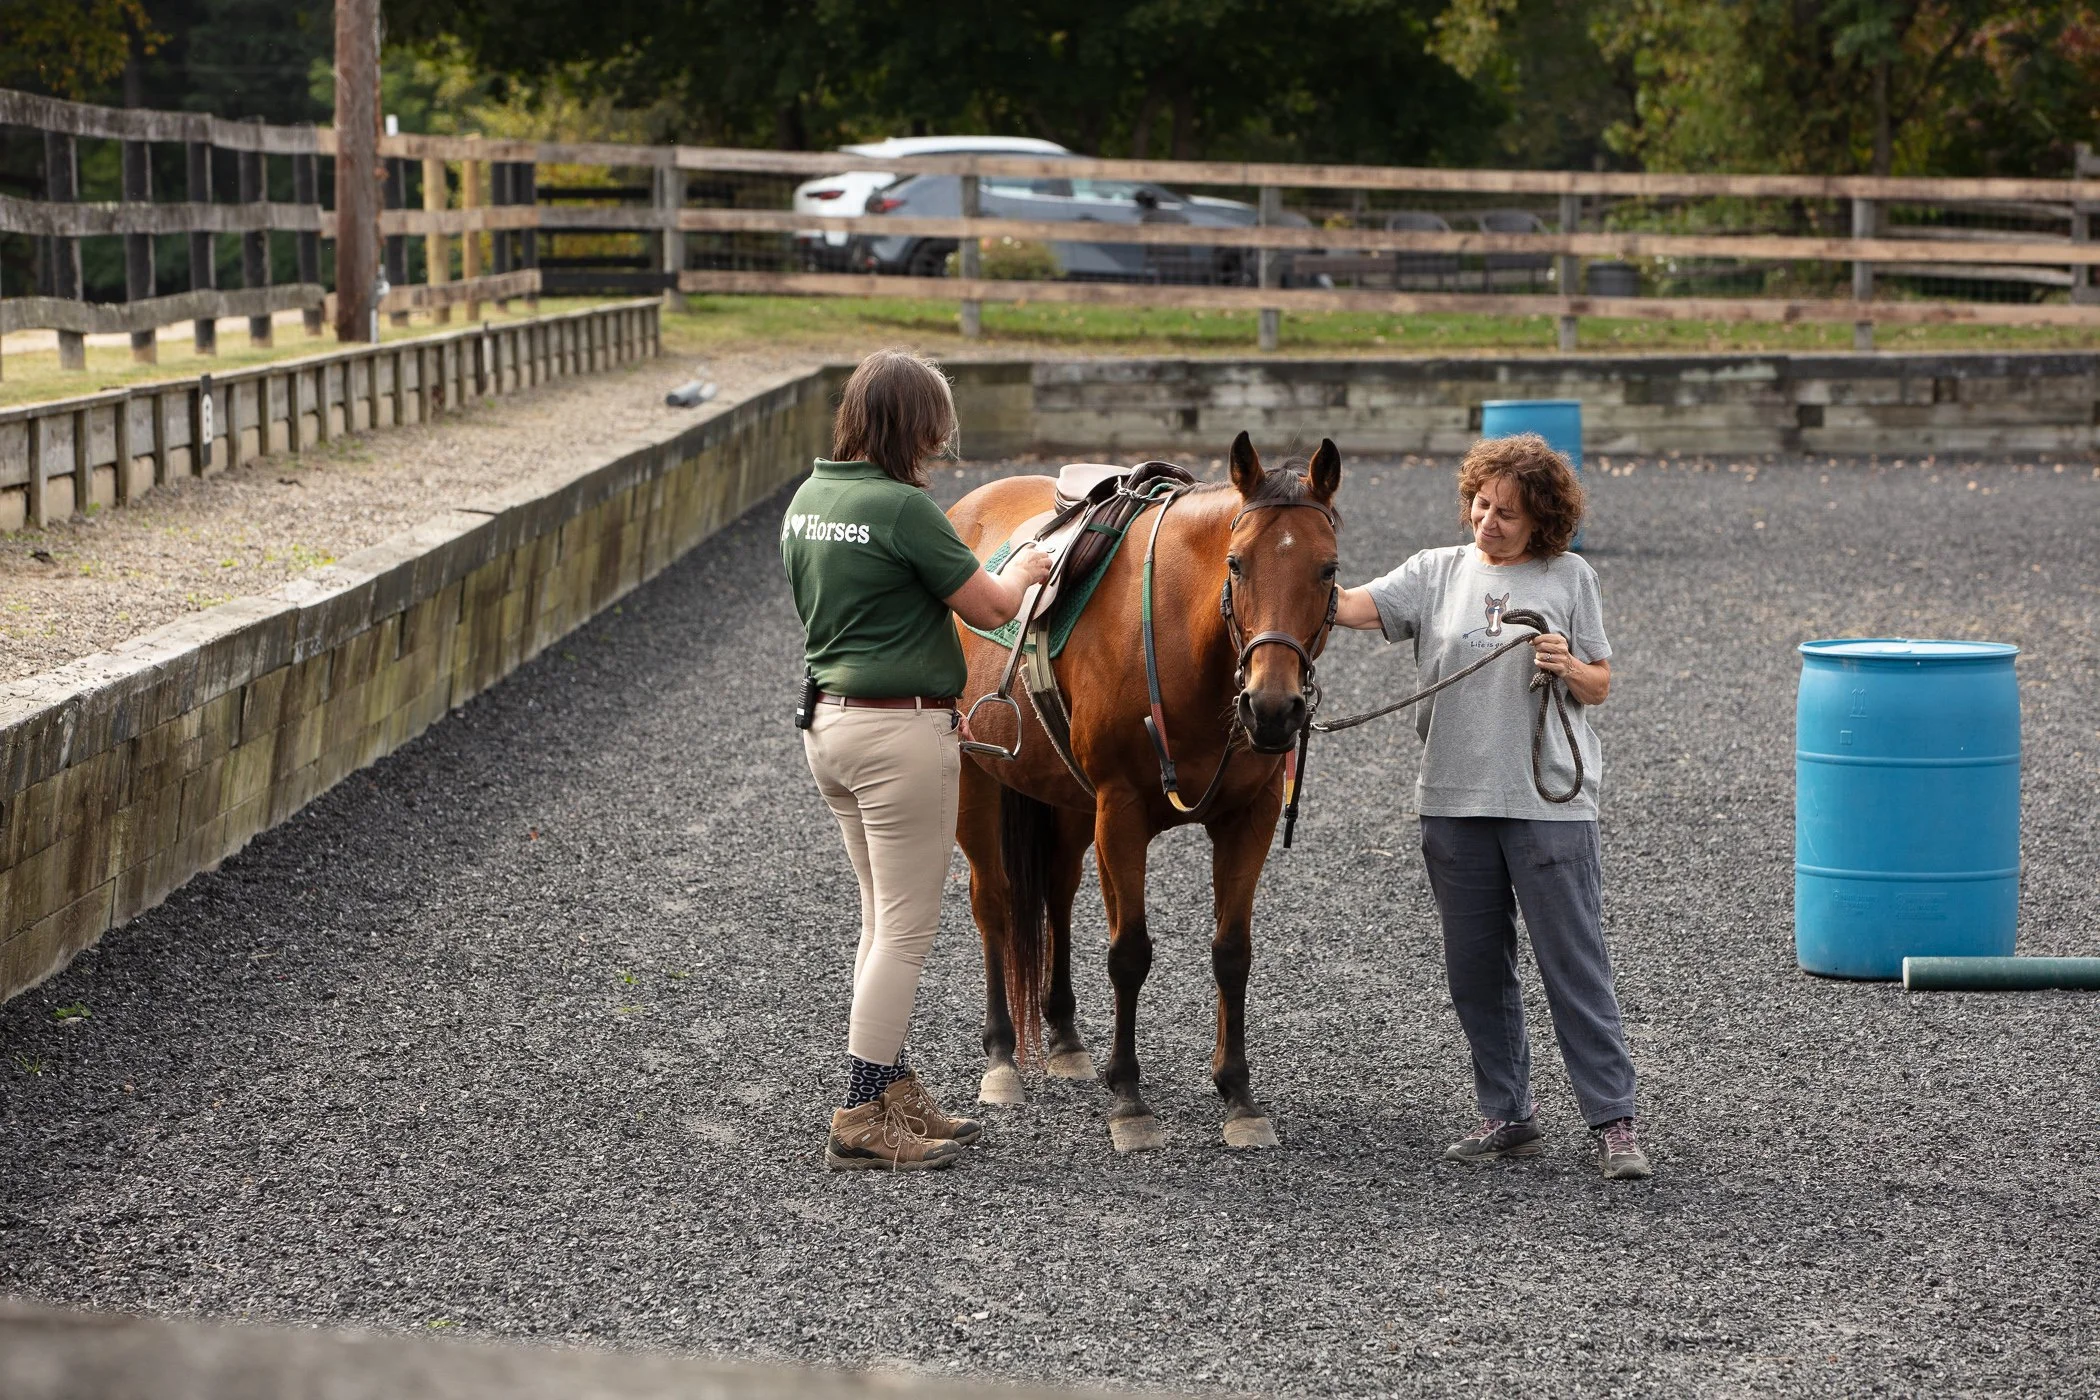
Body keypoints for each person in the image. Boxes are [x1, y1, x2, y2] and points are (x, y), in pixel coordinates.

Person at [1331, 433, 1652, 1181]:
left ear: (1542, 518)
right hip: (1452, 799)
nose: (1488, 522)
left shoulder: (1570, 575)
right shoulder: (1435, 571)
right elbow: (1344, 607)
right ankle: (1508, 1115)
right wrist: (1285, 552)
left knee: (1574, 966)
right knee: (1475, 969)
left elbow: (1601, 682)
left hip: (1548, 801)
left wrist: (1567, 664)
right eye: (1480, 505)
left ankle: (1614, 1122)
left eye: (1507, 512)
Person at [780, 348, 1052, 1172]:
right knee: (906, 929)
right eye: (935, 427)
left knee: (878, 918)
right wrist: (1024, 565)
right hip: (898, 735)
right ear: (913, 425)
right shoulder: (902, 509)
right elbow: (992, 607)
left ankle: (894, 1086)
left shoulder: (808, 500)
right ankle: (861, 1112)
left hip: (830, 724)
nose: (940, 443)